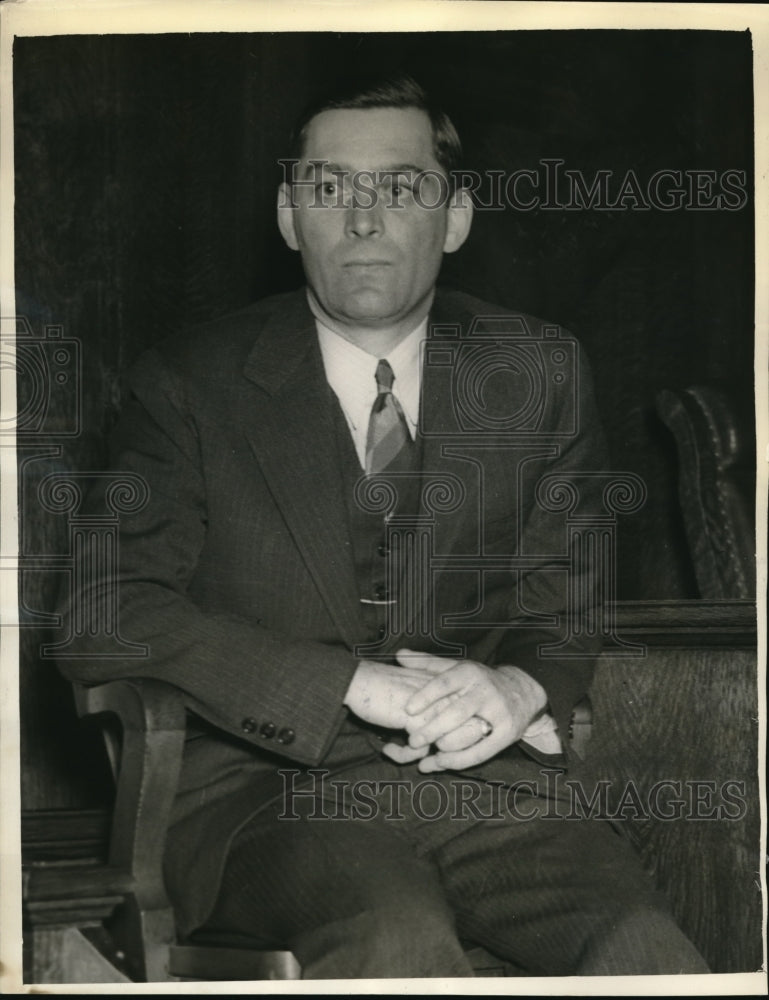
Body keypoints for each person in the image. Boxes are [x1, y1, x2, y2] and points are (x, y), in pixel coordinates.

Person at [58, 74, 709, 978]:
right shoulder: (188, 383)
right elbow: (103, 612)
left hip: (485, 787)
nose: (362, 219)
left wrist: (521, 686)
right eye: (329, 189)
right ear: (291, 217)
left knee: (644, 949)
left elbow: (567, 597)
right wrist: (345, 686)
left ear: (455, 218)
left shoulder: (539, 369)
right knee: (393, 936)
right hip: (259, 797)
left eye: (400, 188)